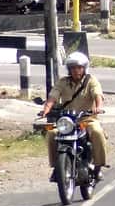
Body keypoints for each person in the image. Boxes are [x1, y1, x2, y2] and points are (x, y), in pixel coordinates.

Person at [40, 52, 106, 182]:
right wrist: (46, 110)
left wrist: (98, 107)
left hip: (87, 120)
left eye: (79, 67)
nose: (76, 70)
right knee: (52, 133)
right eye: (73, 68)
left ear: (84, 68)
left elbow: (97, 94)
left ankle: (98, 167)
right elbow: (53, 96)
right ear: (69, 69)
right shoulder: (62, 82)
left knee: (97, 132)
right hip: (67, 121)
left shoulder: (91, 81)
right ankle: (57, 168)